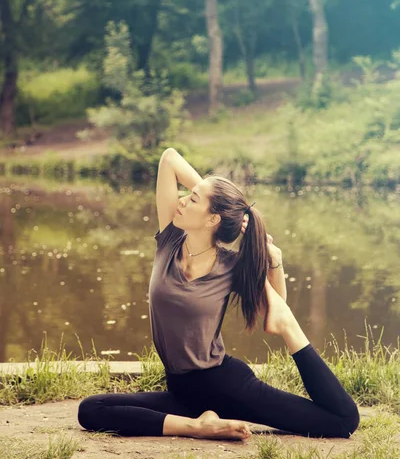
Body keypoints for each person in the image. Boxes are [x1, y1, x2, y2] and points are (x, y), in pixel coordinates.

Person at [78, 148, 360, 441]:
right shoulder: (170, 239)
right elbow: (169, 158)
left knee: (342, 421)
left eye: (193, 199)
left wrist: (274, 260)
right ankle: (200, 426)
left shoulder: (232, 266)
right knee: (91, 409)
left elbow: (276, 308)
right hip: (182, 391)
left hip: (226, 385)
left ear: (212, 219)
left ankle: (289, 340)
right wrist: (215, 201)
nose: (183, 200)